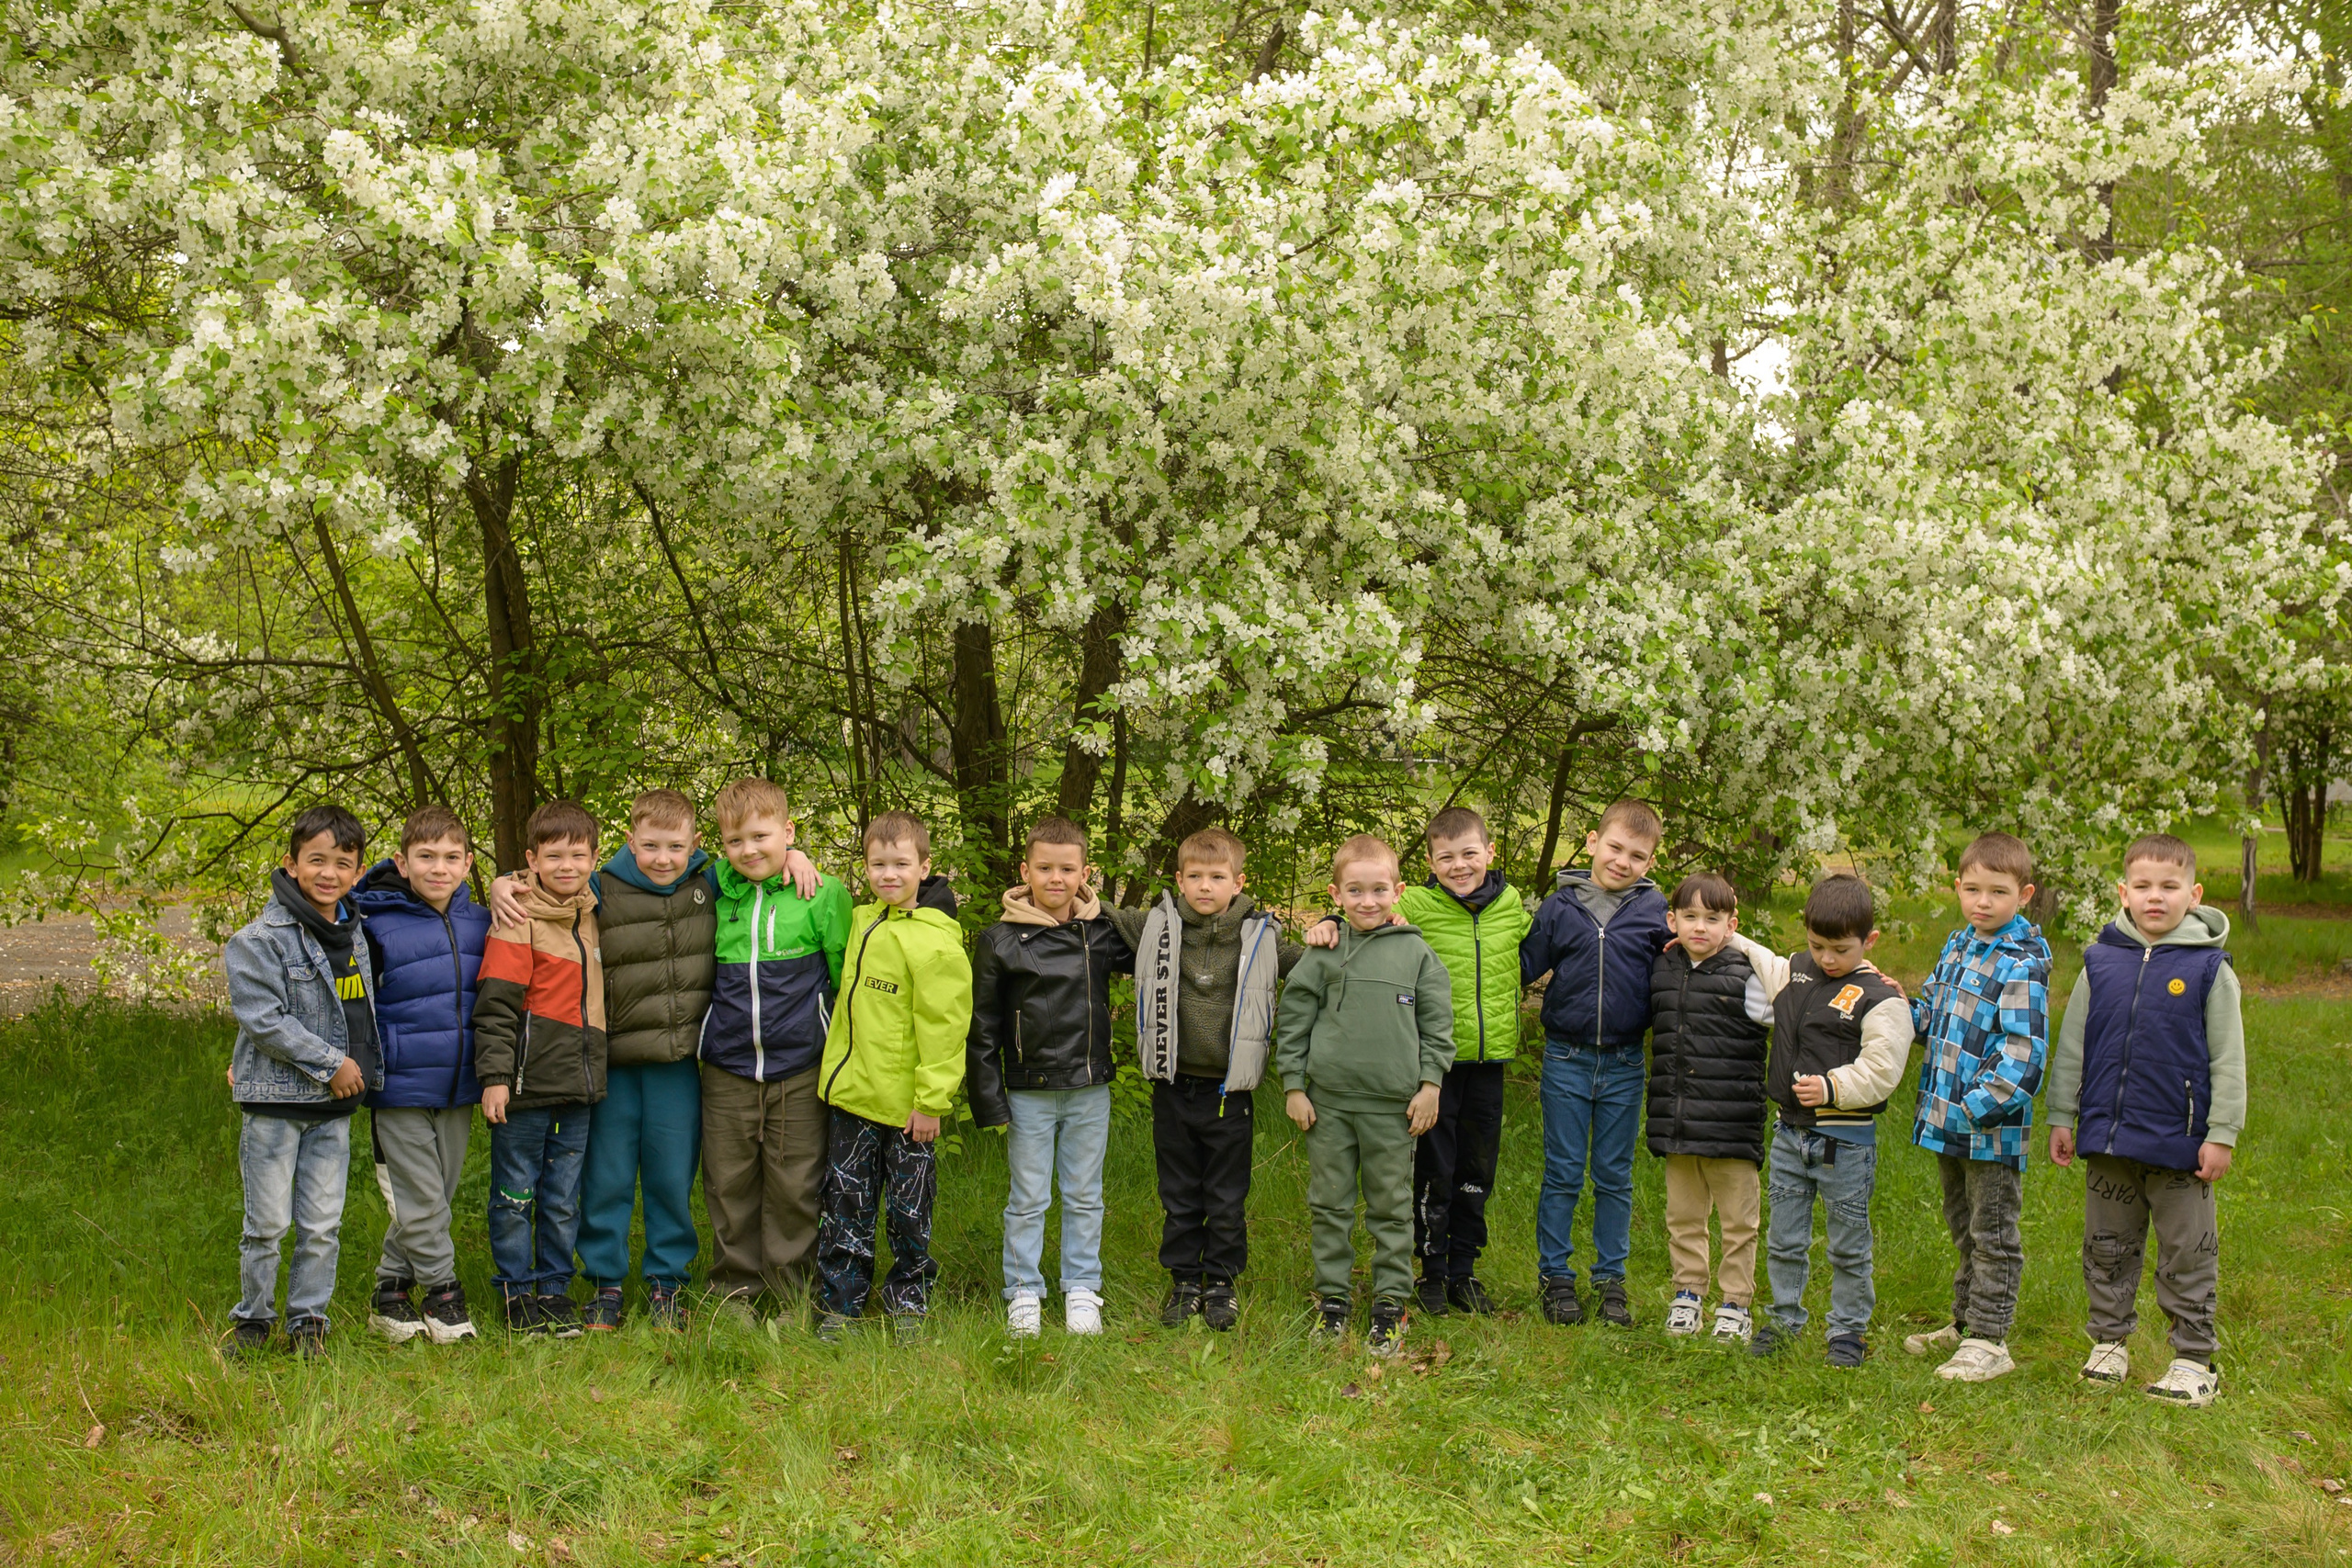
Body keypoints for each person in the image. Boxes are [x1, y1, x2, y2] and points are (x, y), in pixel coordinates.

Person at [2046, 833, 2244, 1408]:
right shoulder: (2100, 962)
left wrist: (2221, 1133)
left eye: (2169, 886)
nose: (2155, 897)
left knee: (2187, 1250)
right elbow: (2074, 1046)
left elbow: (2229, 1059)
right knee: (2106, 1244)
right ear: (2123, 892)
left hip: (2181, 1146)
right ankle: (2109, 1343)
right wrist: (2064, 1113)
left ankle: (2192, 1360)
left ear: (2194, 892)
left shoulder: (2209, 969)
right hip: (2109, 1140)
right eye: (2143, 886)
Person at [1102, 827, 1305, 1331]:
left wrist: (1334, 928)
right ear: (1179, 879)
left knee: (1225, 1194)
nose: (1205, 886)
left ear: (1238, 882)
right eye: (1195, 876)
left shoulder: (1260, 936)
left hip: (1228, 1094)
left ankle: (1221, 1282)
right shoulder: (1155, 927)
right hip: (1173, 1087)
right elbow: (1099, 911)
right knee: (1179, 1192)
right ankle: (1184, 1280)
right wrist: (1066, 893)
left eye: (1217, 877)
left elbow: (1311, 963)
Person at [1277, 835, 1454, 1355]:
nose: (1368, 901)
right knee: (1329, 1203)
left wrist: (1430, 1085)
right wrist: (1293, 1085)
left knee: (1391, 1207)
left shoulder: (1417, 953)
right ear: (1336, 894)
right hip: (1328, 1106)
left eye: (1379, 889)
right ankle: (1332, 1301)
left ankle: (1390, 1303)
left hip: (1393, 1110)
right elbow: (1293, 1020)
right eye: (1355, 891)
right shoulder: (1324, 951)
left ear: (1398, 890)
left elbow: (1438, 1026)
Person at [1731, 874, 1911, 1367]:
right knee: (1785, 1237)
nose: (1828, 959)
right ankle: (1784, 1319)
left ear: (1869, 942)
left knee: (1848, 1243)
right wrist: (1723, 934)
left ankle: (1848, 1333)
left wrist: (1832, 1087)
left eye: (1841, 950)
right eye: (1817, 946)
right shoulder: (1797, 972)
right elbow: (1763, 960)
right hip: (1790, 1135)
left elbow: (1883, 1068)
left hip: (1845, 1145)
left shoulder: (1882, 999)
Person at [222, 805, 382, 1358]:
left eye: (343, 863)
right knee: (266, 1224)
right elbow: (264, 1019)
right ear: (290, 865)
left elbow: (358, 1012)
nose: (329, 873)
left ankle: (308, 1321)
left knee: (321, 1225)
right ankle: (253, 1320)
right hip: (277, 1106)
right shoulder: (259, 939)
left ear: (358, 871)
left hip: (332, 1115)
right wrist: (332, 1064)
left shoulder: (354, 932)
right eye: (316, 860)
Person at [966, 816, 1135, 1337]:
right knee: (1029, 1196)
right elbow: (983, 1025)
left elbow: (1166, 942)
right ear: (1026, 871)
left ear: (1086, 873)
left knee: (1086, 1194)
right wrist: (989, 1098)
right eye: (1045, 868)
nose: (1056, 878)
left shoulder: (1102, 933)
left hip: (1090, 1088)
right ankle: (1023, 1290)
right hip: (1028, 1092)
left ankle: (1083, 1286)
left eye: (1067, 868)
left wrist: (1107, 910)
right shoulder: (1000, 941)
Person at [811, 812, 972, 1343]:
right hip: (856, 1097)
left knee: (909, 1212)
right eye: (878, 864)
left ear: (925, 868)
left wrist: (932, 1101)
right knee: (845, 1205)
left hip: (910, 1111)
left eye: (901, 864)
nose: (888, 874)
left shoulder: (937, 941)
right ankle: (841, 1303)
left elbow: (945, 1026)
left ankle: (908, 1301)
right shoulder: (861, 920)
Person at [695, 779, 851, 1321]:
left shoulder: (823, 893)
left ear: (788, 831)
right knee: (729, 1180)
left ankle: (791, 1294)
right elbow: (650, 857)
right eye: (734, 841)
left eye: (761, 836)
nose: (749, 850)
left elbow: (841, 978)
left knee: (795, 1183)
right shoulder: (711, 887)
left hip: (800, 1065)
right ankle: (734, 1293)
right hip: (728, 1064)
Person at [1901, 832, 2052, 1383]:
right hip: (1948, 1123)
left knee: (1993, 1233)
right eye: (1972, 889)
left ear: (2025, 894)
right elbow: (1932, 1012)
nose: (1982, 901)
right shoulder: (1959, 944)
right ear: (1957, 888)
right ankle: (1965, 1322)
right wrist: (1896, 1009)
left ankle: (1991, 1339)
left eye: (1997, 891)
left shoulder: (2022, 964)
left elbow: (2024, 1054)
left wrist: (1974, 1106)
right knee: (1963, 1224)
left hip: (1988, 1130)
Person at [1518, 799, 1671, 1327]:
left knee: (1613, 1175)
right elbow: (1518, 964)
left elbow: (1689, 965)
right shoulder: (1561, 907)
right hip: (1566, 1058)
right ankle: (1555, 1276)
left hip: (1626, 1062)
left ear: (1650, 863)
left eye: (1637, 855)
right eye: (1615, 848)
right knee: (1562, 1172)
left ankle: (1610, 1281)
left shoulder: (1656, 912)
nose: (1623, 862)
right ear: (1591, 842)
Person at [574, 789, 722, 1332]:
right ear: (630, 840)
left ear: (695, 844)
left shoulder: (711, 882)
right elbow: (542, 888)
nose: (663, 858)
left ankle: (667, 1284)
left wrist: (799, 858)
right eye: (651, 845)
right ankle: (605, 1284)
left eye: (676, 847)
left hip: (677, 1065)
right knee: (607, 1177)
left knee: (670, 1178)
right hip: (612, 1064)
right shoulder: (598, 887)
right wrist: (503, 885)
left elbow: (770, 868)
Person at [352, 805, 490, 1345]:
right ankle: (443, 1294)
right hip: (399, 1086)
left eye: (451, 857)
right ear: (401, 863)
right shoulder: (372, 923)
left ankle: (389, 1292)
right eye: (425, 857)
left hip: (458, 1086)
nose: (439, 867)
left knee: (436, 1195)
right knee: (422, 1197)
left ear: (467, 863)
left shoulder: (483, 920)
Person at [471, 799, 606, 1337]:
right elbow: (497, 1005)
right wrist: (495, 1078)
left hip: (579, 1088)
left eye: (578, 855)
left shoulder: (593, 913)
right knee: (515, 1195)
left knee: (561, 1197)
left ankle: (554, 1289)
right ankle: (515, 1292)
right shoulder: (516, 916)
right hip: (523, 1087)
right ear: (531, 859)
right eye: (554, 856)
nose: (567, 866)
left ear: (595, 858)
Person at [1645, 871, 1770, 1343]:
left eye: (1713, 918)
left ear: (1732, 924)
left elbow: (1794, 1000)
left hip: (1732, 1124)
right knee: (1683, 1218)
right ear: (1672, 920)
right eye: (1690, 917)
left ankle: (1736, 1303)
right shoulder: (1663, 968)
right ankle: (1688, 1294)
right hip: (1677, 1122)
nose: (1700, 927)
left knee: (1739, 1221)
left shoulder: (1748, 977)